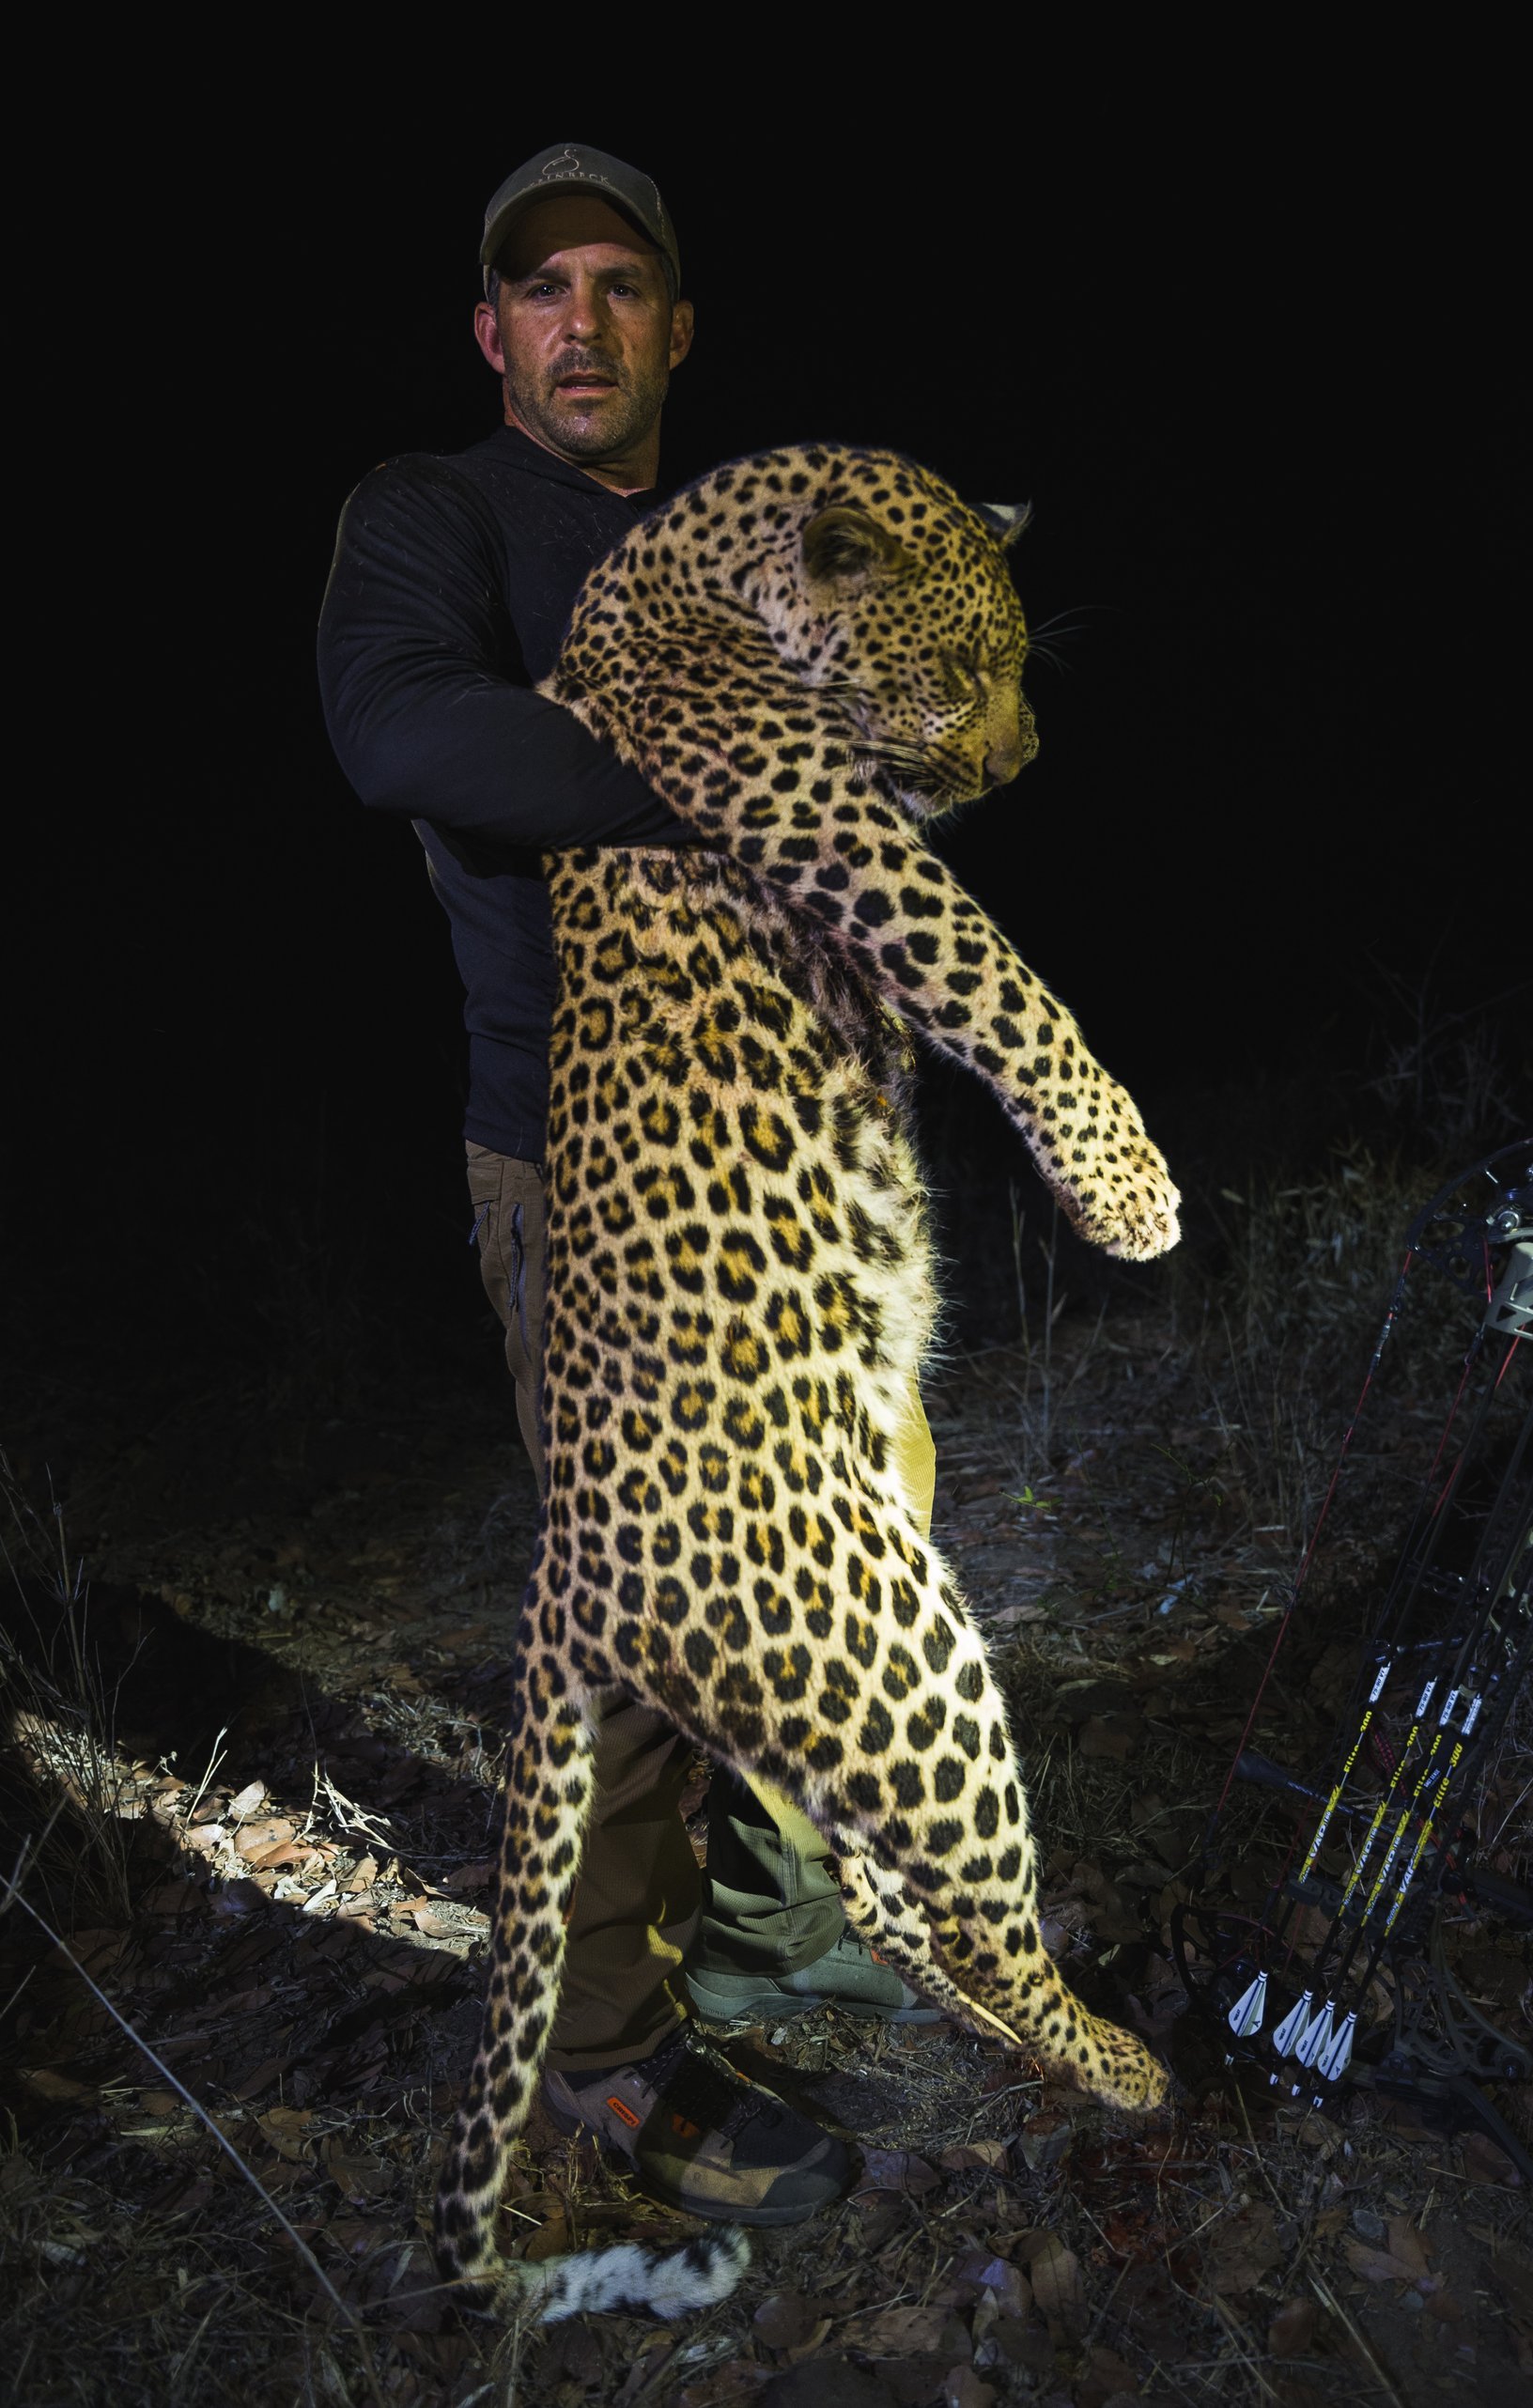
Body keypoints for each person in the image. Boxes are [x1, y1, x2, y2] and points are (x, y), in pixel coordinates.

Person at [317, 145, 938, 2230]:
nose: (579, 320)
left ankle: (770, 1923)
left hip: (811, 1156)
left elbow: (905, 733)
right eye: (539, 289)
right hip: (597, 1167)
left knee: (853, 1543)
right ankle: (601, 2063)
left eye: (617, 283)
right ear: (490, 335)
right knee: (662, 1631)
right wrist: (740, 768)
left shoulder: (748, 530)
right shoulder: (436, 516)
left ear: (680, 324)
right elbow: (403, 735)